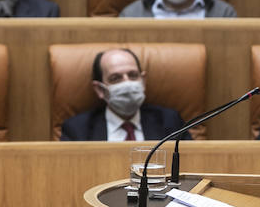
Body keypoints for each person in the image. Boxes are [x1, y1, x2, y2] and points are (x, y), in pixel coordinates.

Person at [60, 48, 190, 142]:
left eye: (133, 75)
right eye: (116, 78)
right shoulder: (77, 130)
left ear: (143, 81)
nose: (127, 83)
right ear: (100, 89)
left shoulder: (170, 122)